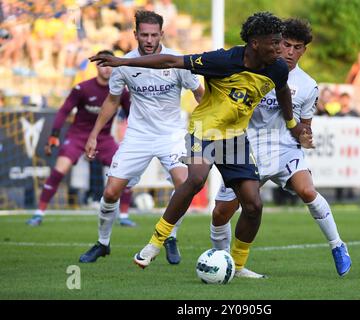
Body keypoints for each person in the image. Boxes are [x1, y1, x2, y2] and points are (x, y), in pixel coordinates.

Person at [90, 11, 306, 271]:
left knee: (253, 204)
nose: (280, 48)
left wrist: (292, 124)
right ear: (255, 43)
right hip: (203, 130)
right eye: (275, 42)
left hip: (234, 138)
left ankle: (237, 266)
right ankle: (155, 242)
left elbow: (282, 91)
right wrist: (120, 62)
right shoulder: (222, 60)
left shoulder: (277, 68)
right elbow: (171, 60)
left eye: (281, 41)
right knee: (195, 179)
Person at [210, 18, 352, 279]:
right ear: (276, 43)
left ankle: (338, 246)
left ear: (304, 50)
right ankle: (228, 265)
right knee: (221, 213)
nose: (290, 51)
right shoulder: (254, 69)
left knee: (307, 190)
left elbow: (305, 125)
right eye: (286, 44)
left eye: (297, 47)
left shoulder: (309, 85)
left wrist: (306, 137)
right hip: (248, 149)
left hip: (285, 149)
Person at [79, 11, 204, 264]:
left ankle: (170, 236)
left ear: (162, 34)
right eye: (144, 34)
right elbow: (112, 101)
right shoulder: (123, 65)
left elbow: (200, 94)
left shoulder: (177, 62)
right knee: (111, 191)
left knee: (185, 184)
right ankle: (103, 243)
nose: (148, 40)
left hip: (172, 135)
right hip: (138, 136)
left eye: (153, 35)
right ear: (135, 34)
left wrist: (211, 128)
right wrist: (94, 134)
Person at [26, 50, 134, 227]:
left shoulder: (120, 91)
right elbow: (63, 111)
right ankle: (39, 213)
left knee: (126, 171)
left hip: (104, 139)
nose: (106, 69)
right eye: (102, 64)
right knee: (59, 170)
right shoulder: (82, 88)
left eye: (109, 64)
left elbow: (132, 114)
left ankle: (124, 217)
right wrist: (54, 136)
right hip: (78, 136)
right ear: (96, 66)